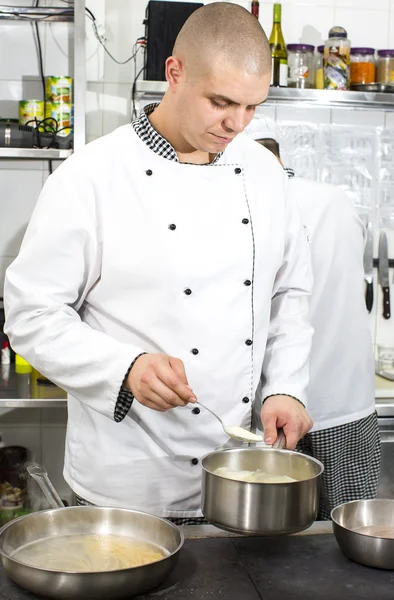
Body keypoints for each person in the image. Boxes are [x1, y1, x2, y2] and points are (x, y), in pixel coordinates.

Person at [4, 3, 314, 522]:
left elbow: (290, 293)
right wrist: (124, 368)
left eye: (252, 108)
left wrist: (286, 387)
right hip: (126, 480)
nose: (236, 124)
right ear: (174, 73)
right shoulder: (92, 177)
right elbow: (31, 316)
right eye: (221, 101)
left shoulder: (264, 172)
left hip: (237, 475)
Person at [246, 117, 381, 520]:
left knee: (272, 539)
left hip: (277, 411)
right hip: (349, 405)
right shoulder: (335, 199)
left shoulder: (255, 206)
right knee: (344, 533)